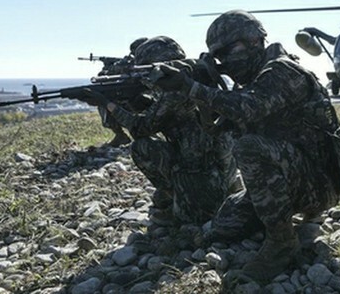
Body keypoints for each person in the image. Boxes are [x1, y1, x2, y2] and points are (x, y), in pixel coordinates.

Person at [148, 10, 340, 282]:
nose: (224, 61)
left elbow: (246, 109)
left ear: (254, 41)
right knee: (223, 226)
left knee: (248, 147)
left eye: (227, 51)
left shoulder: (282, 71)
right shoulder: (253, 81)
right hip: (290, 180)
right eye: (218, 56)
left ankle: (282, 242)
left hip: (318, 186)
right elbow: (216, 128)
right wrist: (205, 87)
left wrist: (191, 87)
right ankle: (281, 218)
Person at [84, 35, 241, 224]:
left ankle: (180, 196)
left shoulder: (175, 91)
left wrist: (107, 104)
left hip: (202, 177)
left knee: (142, 147)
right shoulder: (196, 76)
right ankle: (223, 188)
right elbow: (167, 113)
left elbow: (141, 129)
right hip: (223, 167)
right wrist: (133, 101)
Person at [96, 37, 149, 147]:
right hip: (144, 99)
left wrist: (112, 66)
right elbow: (103, 75)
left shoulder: (139, 63)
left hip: (147, 100)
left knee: (108, 102)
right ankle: (121, 136)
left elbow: (108, 72)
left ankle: (135, 135)